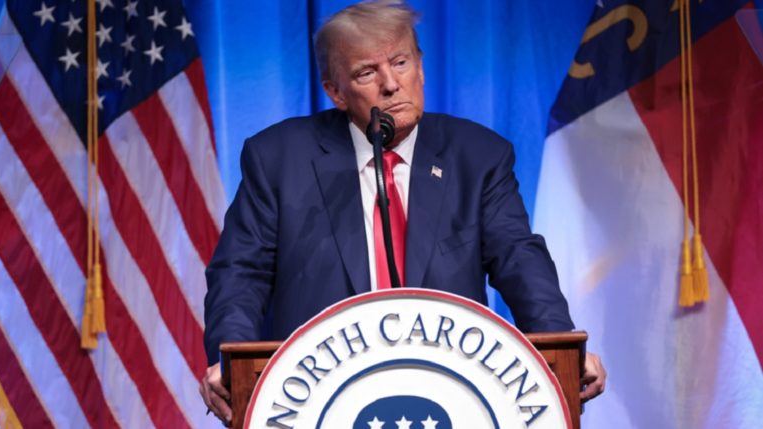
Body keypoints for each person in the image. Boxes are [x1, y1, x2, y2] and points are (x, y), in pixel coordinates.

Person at [200, 1, 605, 425]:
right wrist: (231, 360)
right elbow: (241, 273)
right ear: (335, 91)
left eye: (400, 62)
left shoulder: (478, 156)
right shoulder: (279, 159)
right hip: (315, 400)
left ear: (421, 68)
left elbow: (520, 260)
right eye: (366, 73)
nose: (391, 84)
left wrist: (564, 351)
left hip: (452, 393)